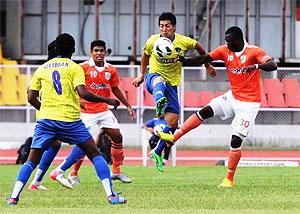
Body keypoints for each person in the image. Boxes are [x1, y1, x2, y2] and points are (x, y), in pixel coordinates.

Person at [6, 33, 127, 205]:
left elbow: (31, 97)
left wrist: (46, 109)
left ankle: (13, 197)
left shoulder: (42, 68)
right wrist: (107, 100)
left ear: (55, 48)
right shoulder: (74, 67)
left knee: (31, 161)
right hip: (70, 121)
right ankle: (111, 196)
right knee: (95, 154)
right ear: (73, 49)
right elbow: (83, 92)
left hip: (46, 121)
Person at [159, 26, 277, 188]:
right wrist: (183, 61)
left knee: (235, 140)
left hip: (249, 104)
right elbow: (205, 58)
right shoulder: (224, 50)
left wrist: (256, 66)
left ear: (239, 40)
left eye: (229, 41)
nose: (226, 45)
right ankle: (173, 138)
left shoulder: (254, 52)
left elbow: (273, 65)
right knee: (204, 111)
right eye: (226, 41)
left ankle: (229, 179)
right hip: (232, 96)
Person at [132, 12, 216, 172]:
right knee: (159, 82)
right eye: (161, 26)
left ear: (174, 26)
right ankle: (159, 102)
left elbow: (199, 47)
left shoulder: (183, 41)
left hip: (172, 85)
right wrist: (141, 75)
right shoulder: (153, 41)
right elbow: (145, 56)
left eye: (167, 26)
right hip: (153, 78)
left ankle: (157, 151)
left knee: (172, 124)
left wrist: (207, 65)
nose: (164, 29)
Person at [50, 39, 135, 186]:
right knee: (84, 143)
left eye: (102, 51)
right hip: (86, 111)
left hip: (103, 110)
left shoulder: (111, 70)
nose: (99, 53)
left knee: (117, 137)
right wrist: (78, 101)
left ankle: (116, 171)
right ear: (91, 52)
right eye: (96, 51)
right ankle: (73, 173)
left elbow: (115, 88)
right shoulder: (83, 67)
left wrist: (127, 105)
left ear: (106, 52)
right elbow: (72, 86)